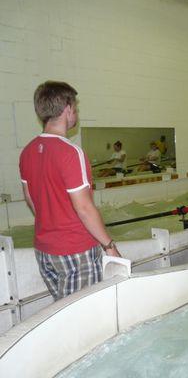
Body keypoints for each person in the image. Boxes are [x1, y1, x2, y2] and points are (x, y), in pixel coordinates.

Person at [19, 81, 121, 301]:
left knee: (62, 310)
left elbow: (30, 199)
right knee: (82, 316)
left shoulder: (27, 152)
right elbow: (84, 208)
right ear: (67, 109)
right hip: (75, 251)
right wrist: (109, 246)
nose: (76, 112)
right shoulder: (70, 152)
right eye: (75, 107)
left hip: (45, 251)